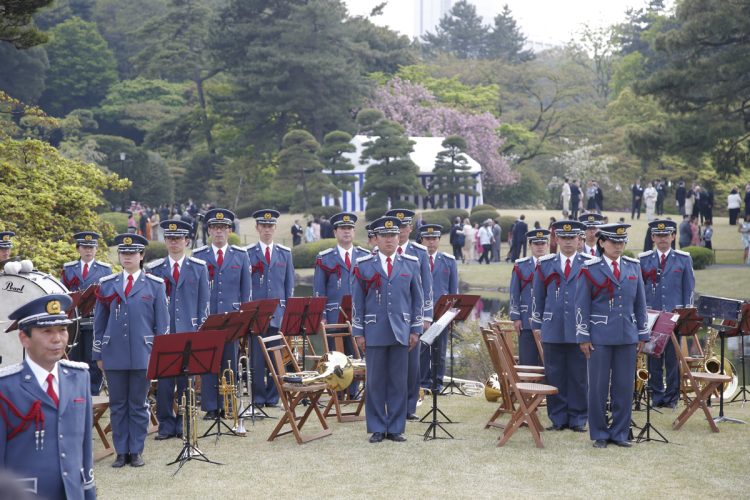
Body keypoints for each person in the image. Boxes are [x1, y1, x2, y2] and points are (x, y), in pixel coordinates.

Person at [2, 294, 95, 499]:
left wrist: (89, 492)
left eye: (62, 329)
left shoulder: (80, 377)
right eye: (47, 331)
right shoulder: (5, 387)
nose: (57, 339)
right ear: (24, 338)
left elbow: (85, 447)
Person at [93, 233, 169, 467]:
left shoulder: (155, 285)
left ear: (142, 256)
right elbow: (99, 323)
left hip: (142, 353)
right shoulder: (107, 285)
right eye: (123, 253)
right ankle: (121, 451)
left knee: (138, 404)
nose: (127, 257)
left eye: (132, 253)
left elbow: (162, 324)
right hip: (113, 354)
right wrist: (98, 354)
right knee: (117, 405)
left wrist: (158, 355)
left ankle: (135, 450)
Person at [352, 216, 424, 443]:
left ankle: (395, 427)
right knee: (374, 382)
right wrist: (358, 332)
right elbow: (357, 302)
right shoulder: (364, 265)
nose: (390, 240)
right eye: (384, 236)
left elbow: (417, 301)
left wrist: (415, 329)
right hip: (374, 330)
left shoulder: (410, 263)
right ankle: (376, 427)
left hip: (401, 330)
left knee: (398, 381)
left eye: (393, 235)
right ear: (376, 239)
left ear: (398, 236)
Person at [576, 223, 648, 449]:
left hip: (627, 335)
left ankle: (620, 432)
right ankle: (600, 433)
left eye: (622, 242)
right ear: (602, 243)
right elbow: (582, 305)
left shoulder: (633, 267)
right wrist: (583, 337)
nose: (618, 246)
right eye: (614, 242)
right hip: (599, 336)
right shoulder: (590, 268)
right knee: (598, 387)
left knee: (624, 386)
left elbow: (640, 304)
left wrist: (642, 334)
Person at [147, 220, 210, 440]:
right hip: (164, 334)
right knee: (164, 383)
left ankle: (184, 421)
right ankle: (165, 423)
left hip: (189, 332)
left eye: (179, 239)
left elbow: (204, 303)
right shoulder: (154, 269)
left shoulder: (198, 267)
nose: (174, 243)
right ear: (165, 241)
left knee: (187, 381)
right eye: (170, 239)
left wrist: (200, 330)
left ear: (187, 241)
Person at [532, 220, 592, 432]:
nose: (568, 242)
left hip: (579, 328)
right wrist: (536, 323)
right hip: (552, 327)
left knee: (579, 375)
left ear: (579, 240)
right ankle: (557, 418)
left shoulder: (589, 263)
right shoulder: (545, 264)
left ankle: (578, 418)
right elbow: (537, 296)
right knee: (555, 373)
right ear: (556, 239)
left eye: (572, 238)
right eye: (563, 238)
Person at [192, 209, 251, 419]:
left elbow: (246, 292)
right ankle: (210, 406)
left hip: (231, 318)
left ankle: (228, 404)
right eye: (215, 228)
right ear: (208, 231)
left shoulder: (240, 255)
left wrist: (244, 319)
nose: (219, 232)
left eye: (223, 228)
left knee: (229, 363)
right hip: (208, 318)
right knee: (209, 363)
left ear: (229, 230)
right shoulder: (199, 257)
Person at [639, 220, 695, 409]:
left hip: (674, 318)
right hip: (652, 317)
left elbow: (688, 290)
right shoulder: (644, 259)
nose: (662, 239)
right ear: (653, 237)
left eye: (666, 235)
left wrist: (685, 314)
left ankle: (672, 397)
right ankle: (656, 396)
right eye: (658, 235)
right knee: (653, 358)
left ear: (673, 237)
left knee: (673, 359)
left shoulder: (683, 258)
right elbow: (639, 290)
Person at [313, 212, 369, 397]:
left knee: (355, 355)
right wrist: (321, 317)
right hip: (333, 316)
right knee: (336, 356)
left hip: (357, 316)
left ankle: (353, 392)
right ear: (335, 232)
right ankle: (337, 393)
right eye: (343, 229)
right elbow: (319, 291)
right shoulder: (325, 258)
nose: (347, 232)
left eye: (350, 229)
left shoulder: (364, 256)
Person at [385, 208, 433, 420]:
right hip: (390, 316)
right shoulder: (383, 252)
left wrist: (426, 317)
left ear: (411, 228)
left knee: (413, 365)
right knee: (391, 365)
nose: (402, 230)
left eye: (405, 226)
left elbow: (427, 288)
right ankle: (391, 405)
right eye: (399, 227)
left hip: (412, 317)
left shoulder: (419, 252)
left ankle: (409, 407)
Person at [246, 209, 294, 407]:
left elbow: (289, 286)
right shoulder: (248, 253)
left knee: (276, 359)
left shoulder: (285, 253)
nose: (267, 229)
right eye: (263, 226)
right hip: (256, 315)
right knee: (257, 360)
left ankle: (273, 397)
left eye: (270, 226)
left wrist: (288, 315)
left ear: (275, 228)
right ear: (257, 228)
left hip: (278, 313)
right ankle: (258, 398)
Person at [61, 231, 112, 395]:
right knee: (74, 357)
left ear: (96, 249)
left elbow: (108, 297)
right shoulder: (69, 269)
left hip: (94, 319)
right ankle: (75, 391)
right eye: (84, 247)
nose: (88, 250)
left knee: (92, 357)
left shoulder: (105, 270)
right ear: (78, 249)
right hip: (75, 320)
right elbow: (64, 293)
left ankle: (93, 391)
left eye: (91, 247)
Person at [417, 224, 458, 392]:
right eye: (427, 239)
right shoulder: (415, 259)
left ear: (439, 240)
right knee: (422, 350)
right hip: (421, 313)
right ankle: (422, 383)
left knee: (440, 351)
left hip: (442, 313)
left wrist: (453, 315)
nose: (431, 242)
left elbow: (453, 290)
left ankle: (437, 384)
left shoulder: (448, 260)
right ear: (421, 240)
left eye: (434, 239)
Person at [509, 229, 549, 366]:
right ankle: (528, 387)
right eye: (536, 243)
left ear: (547, 245)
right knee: (527, 361)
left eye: (542, 243)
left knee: (547, 362)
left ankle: (546, 387)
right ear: (530, 245)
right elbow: (514, 292)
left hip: (548, 321)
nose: (540, 246)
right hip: (526, 320)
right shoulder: (521, 265)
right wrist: (516, 317)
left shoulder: (552, 264)